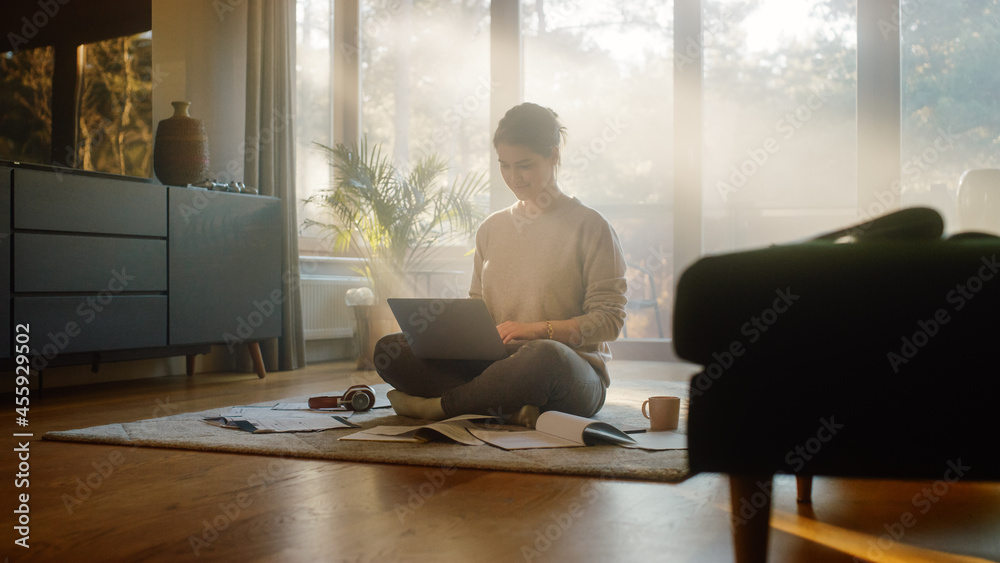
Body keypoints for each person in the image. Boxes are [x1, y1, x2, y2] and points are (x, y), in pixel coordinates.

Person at [375, 102, 628, 427]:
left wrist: (538, 330)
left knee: (543, 356)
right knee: (391, 350)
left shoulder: (592, 227)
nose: (513, 178)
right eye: (504, 166)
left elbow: (609, 320)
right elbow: (478, 306)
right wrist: (457, 335)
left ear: (553, 156)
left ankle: (441, 407)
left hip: (568, 371)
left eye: (524, 165)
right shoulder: (491, 228)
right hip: (495, 364)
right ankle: (506, 405)